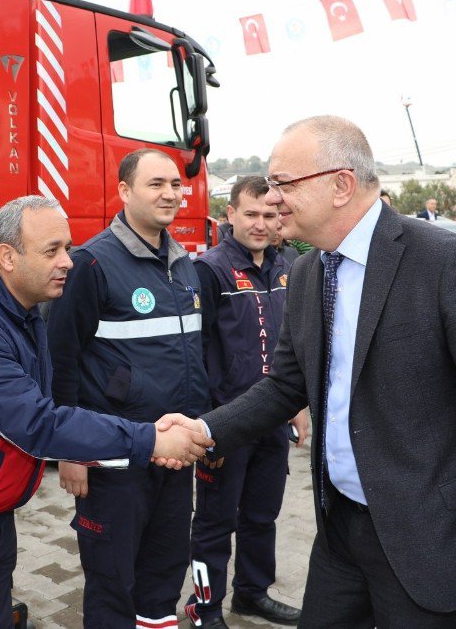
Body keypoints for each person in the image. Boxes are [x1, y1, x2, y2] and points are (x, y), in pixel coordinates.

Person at [183, 115, 456, 628]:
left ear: (341, 185)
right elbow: (286, 385)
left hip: (429, 543)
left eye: (283, 183)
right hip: (339, 533)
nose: (272, 199)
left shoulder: (447, 264)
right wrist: (203, 431)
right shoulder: (310, 270)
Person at [0, 195, 210, 627]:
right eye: (51, 250)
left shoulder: (21, 312)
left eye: (68, 248)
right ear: (7, 257)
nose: (68, 262)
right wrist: (149, 439)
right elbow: (38, 424)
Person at [47, 148, 211, 627]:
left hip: (175, 453)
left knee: (164, 573)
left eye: (176, 185)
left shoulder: (184, 265)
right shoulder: (92, 265)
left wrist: (203, 430)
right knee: (113, 580)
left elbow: (194, 358)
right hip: (115, 459)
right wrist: (71, 452)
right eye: (155, 184)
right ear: (124, 191)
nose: (170, 194)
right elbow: (61, 361)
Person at [184, 176, 308, 628]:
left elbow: (291, 347)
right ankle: (204, 608)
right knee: (215, 524)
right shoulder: (208, 270)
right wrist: (206, 427)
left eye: (269, 215)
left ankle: (252, 595)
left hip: (271, 421)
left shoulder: (287, 265)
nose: (260, 224)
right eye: (250, 214)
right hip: (225, 426)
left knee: (262, 516)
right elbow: (192, 356)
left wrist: (297, 406)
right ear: (230, 213)